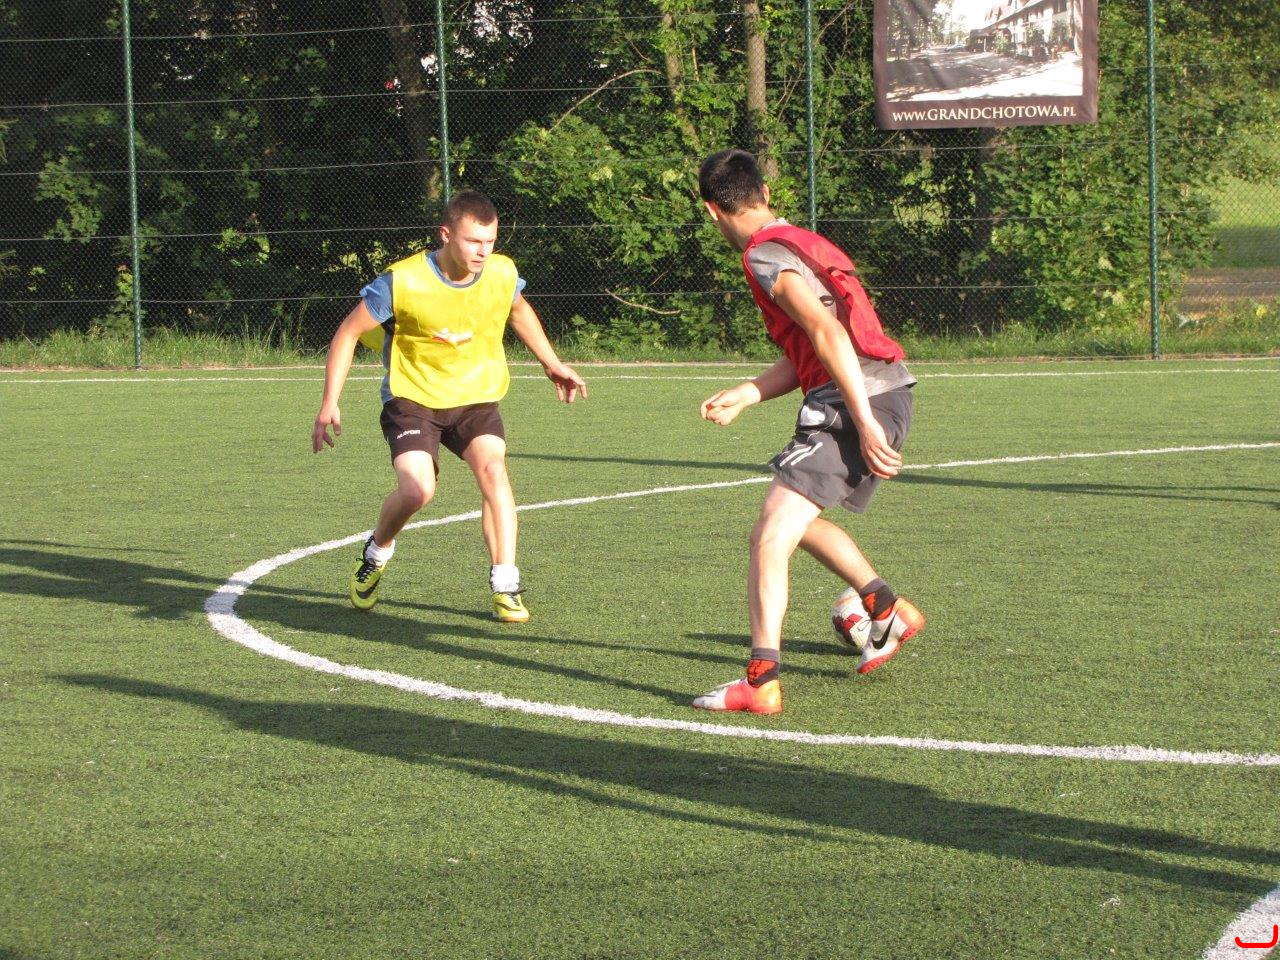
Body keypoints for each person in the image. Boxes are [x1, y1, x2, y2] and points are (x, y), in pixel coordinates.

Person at [692, 149, 924, 715]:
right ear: (766, 194)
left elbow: (825, 331)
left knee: (771, 533)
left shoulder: (763, 255)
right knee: (794, 522)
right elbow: (818, 342)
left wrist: (863, 420)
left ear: (711, 211)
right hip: (880, 390)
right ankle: (885, 608)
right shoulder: (800, 242)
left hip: (856, 399)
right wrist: (751, 392)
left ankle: (761, 680)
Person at [311, 189, 586, 622]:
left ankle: (506, 583)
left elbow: (518, 310)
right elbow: (348, 333)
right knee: (418, 490)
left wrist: (551, 363)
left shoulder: (501, 273)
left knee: (494, 470)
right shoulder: (402, 281)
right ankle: (376, 551)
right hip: (413, 399)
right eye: (473, 241)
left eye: (490, 241)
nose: (483, 251)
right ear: (446, 235)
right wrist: (330, 401)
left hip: (475, 397)